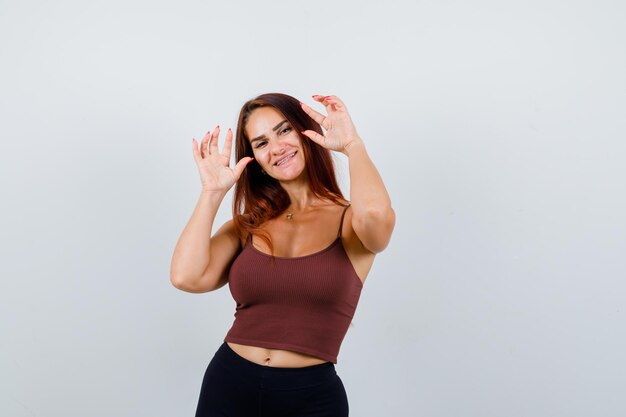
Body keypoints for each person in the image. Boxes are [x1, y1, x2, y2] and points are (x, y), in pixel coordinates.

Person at [170, 92, 395, 416]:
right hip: (229, 383)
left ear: (306, 132)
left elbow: (376, 219)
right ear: (255, 160)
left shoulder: (351, 222)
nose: (276, 148)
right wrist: (212, 194)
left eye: (284, 130)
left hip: (311, 398)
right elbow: (185, 277)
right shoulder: (248, 225)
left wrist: (353, 146)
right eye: (261, 143)